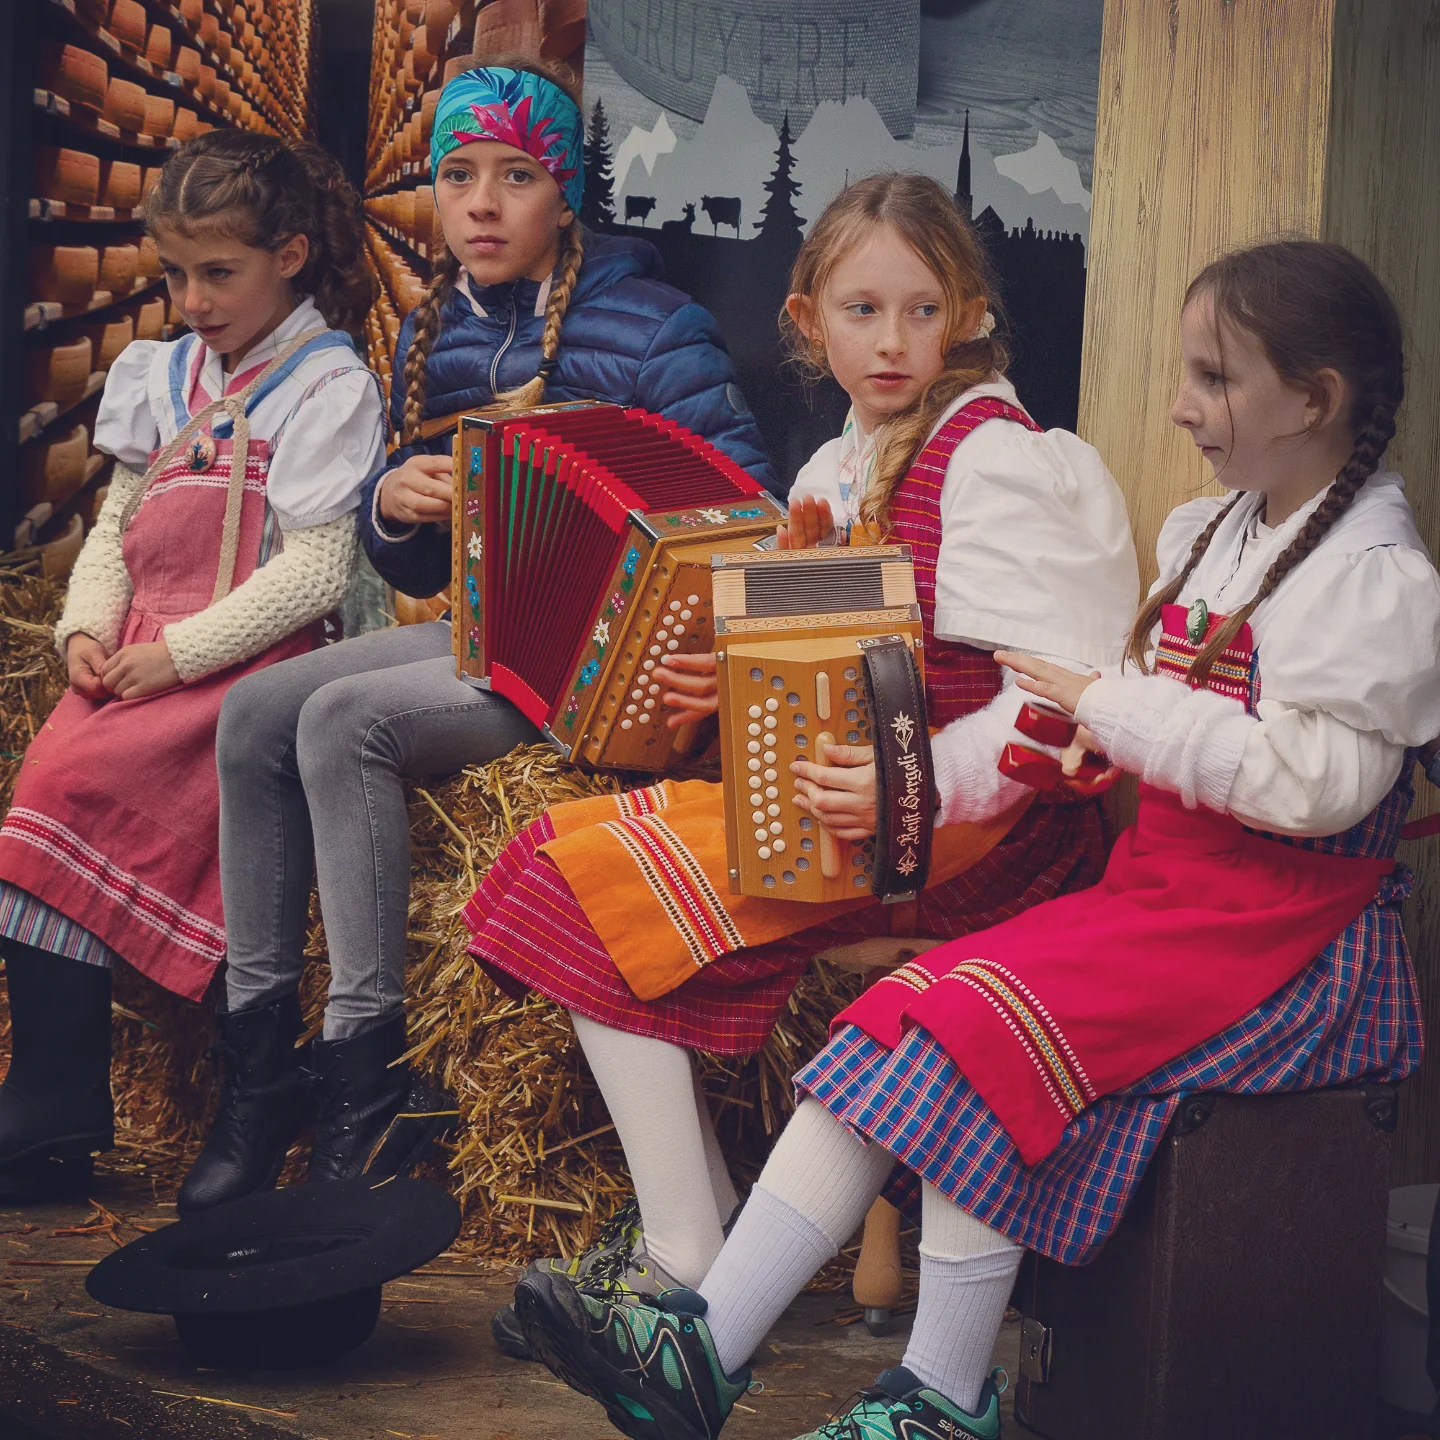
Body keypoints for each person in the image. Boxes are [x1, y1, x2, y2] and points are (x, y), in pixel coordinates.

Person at [514, 238, 1440, 1440]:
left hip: (1281, 932)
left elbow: (1310, 788)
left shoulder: (1375, 579)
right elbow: (1186, 723)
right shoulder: (1217, 528)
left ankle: (939, 1394)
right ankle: (705, 1347)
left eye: (1213, 379)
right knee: (910, 1013)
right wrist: (1092, 742)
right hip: (1166, 893)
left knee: (975, 1022)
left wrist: (1105, 708)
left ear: (1313, 399)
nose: (1179, 407)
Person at [467, 172, 1139, 1358]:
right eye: (862, 311)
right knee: (561, 859)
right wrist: (716, 710)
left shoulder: (1000, 465)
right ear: (807, 319)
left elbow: (1058, 708)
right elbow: (812, 680)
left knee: (594, 878)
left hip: (986, 842)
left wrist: (906, 791)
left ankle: (686, 1258)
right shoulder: (835, 470)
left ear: (971, 310)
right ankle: (692, 1228)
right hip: (852, 818)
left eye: (923, 311)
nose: (892, 342)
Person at [177, 58, 776, 1213]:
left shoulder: (658, 330)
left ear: (566, 195)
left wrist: (640, 570)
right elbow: (413, 563)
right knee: (258, 710)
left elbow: (745, 514)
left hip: (603, 664)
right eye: (458, 177)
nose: (483, 205)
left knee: (347, 719)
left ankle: (372, 1073)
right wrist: (393, 507)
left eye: (516, 176)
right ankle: (258, 1062)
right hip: (490, 632)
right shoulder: (431, 333)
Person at [0, 130, 382, 1199]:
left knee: (79, 783)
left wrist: (179, 655)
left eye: (221, 273)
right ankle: (56, 1088)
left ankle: (196, 1085)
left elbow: (313, 573)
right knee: (40, 785)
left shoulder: (324, 384)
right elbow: (121, 518)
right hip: (141, 648)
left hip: (242, 656)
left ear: (294, 255)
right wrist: (86, 627)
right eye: (177, 274)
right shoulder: (162, 373)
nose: (194, 299)